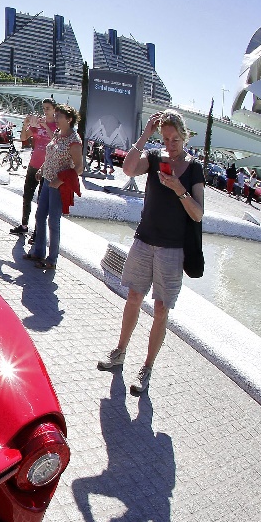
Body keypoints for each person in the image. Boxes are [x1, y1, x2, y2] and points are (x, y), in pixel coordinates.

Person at [97, 110, 205, 396]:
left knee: (160, 309)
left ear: (185, 136)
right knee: (133, 296)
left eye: (175, 139)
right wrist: (145, 135)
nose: (170, 144)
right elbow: (129, 169)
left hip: (172, 250)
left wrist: (179, 189)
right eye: (165, 138)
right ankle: (119, 353)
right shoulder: (155, 158)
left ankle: (146, 369)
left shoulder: (194, 169)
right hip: (144, 241)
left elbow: (197, 214)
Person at [25, 103, 83, 271]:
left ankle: (52, 259)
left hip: (58, 185)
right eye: (55, 116)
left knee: (53, 221)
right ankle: (38, 251)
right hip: (47, 179)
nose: (55, 119)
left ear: (69, 119)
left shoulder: (74, 140)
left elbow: (79, 167)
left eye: (59, 116)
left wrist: (60, 180)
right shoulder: (58, 134)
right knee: (40, 215)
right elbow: (51, 154)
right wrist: (43, 168)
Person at [12, 100, 58, 235]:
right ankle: (24, 225)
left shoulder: (57, 125)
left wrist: (46, 126)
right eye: (44, 108)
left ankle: (38, 231)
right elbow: (23, 138)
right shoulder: (38, 124)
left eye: (48, 108)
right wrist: (25, 124)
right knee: (27, 196)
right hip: (33, 164)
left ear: (55, 109)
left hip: (47, 168)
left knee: (41, 201)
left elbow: (56, 141)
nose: (45, 111)